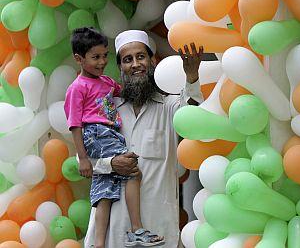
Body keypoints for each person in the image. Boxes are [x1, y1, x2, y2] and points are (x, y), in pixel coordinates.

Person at [84, 30, 204, 248]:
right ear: (120, 68)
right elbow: (81, 160)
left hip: (158, 228)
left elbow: (194, 117)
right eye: (127, 60)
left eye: (141, 57)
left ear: (152, 61)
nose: (135, 64)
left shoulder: (169, 106)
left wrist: (192, 77)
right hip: (113, 228)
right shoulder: (107, 108)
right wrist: (111, 163)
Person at [64, 27, 165, 248]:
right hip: (97, 134)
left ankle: (99, 243)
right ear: (78, 59)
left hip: (108, 134)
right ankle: (136, 229)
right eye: (95, 57)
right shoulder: (77, 88)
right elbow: (74, 124)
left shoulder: (108, 84)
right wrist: (82, 157)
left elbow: (126, 91)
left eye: (104, 56)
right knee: (132, 172)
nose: (101, 62)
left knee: (104, 190)